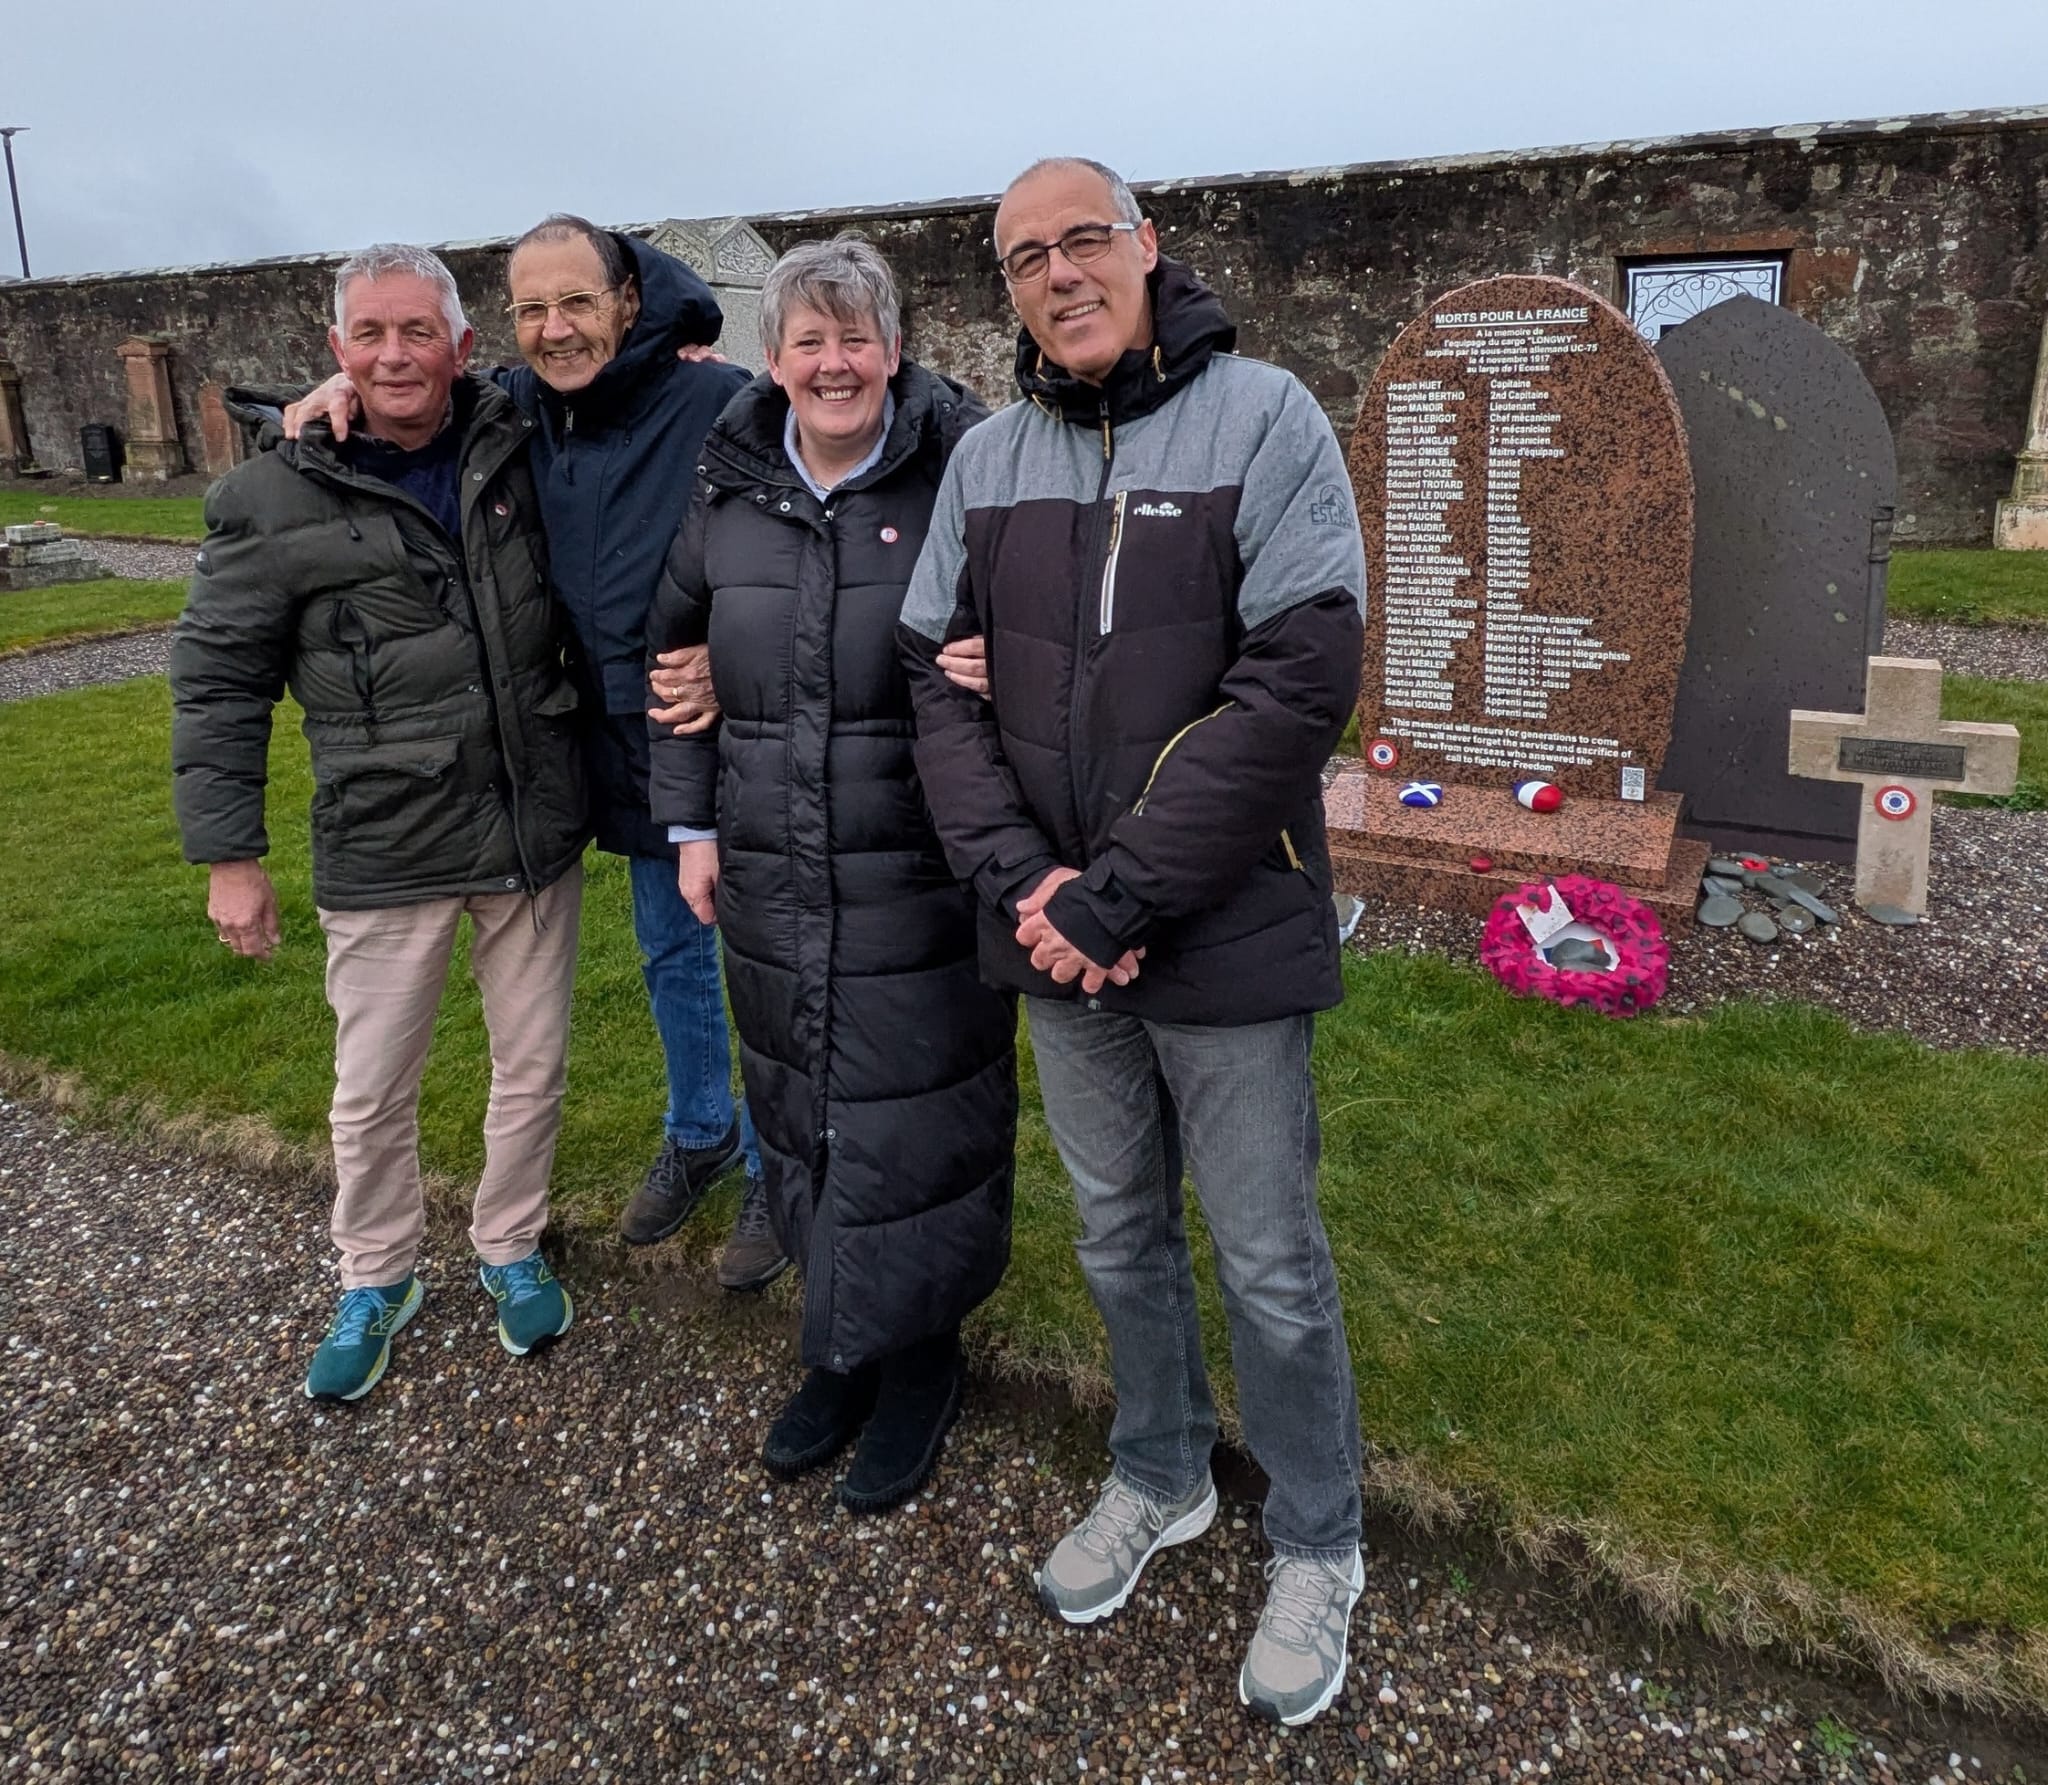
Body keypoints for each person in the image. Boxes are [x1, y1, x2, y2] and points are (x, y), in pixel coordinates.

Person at [898, 158, 1369, 1726]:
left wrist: (1117, 896)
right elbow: (934, 686)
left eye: (1084, 239)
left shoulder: (1268, 421)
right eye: (1027, 256)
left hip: (1219, 925)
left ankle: (1318, 1539)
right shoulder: (990, 460)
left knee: (1270, 1262)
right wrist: (1033, 886)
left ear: (1150, 248)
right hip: (1055, 932)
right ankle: (1160, 1473)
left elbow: (1296, 685)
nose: (1059, 273)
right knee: (1115, 1234)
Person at [289, 217, 774, 1288]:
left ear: (628, 304)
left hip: (735, 733)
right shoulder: (513, 411)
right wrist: (328, 403)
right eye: (533, 309)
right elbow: (401, 382)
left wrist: (735, 661)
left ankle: (782, 1173)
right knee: (670, 953)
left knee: (770, 963)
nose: (556, 329)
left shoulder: (716, 399)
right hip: (619, 737)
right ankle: (700, 1132)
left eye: (578, 303)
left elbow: (809, 528)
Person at [171, 243, 588, 1403]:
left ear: (464, 347)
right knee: (371, 1089)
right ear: (336, 351)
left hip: (524, 821)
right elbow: (218, 682)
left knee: (533, 1067)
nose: (396, 356)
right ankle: (378, 1271)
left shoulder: (520, 441)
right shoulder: (270, 495)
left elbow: (646, 328)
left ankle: (509, 1243)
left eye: (420, 333)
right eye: (372, 335)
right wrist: (229, 857)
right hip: (384, 835)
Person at [645, 235, 1017, 1513]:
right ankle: (840, 1347)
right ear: (774, 358)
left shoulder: (964, 473)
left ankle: (922, 1361)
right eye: (809, 340)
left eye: (856, 337)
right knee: (799, 1104)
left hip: (917, 868)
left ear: (895, 352)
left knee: (915, 1116)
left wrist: (1001, 666)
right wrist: (690, 833)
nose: (834, 362)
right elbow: (672, 668)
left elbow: (1028, 636)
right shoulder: (730, 490)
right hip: (764, 865)